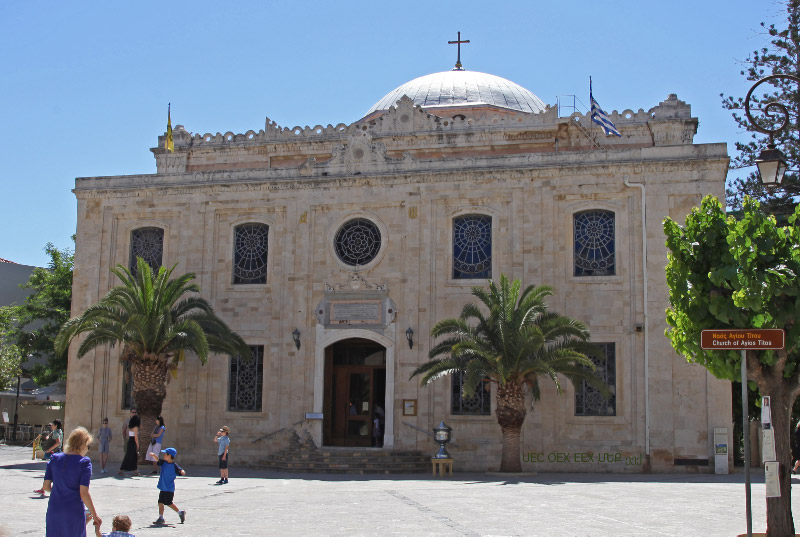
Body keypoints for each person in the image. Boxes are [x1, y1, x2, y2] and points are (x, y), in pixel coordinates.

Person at [42, 427, 102, 537]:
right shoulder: (84, 462)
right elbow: (83, 493)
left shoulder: (54, 458)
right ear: (83, 445)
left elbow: (46, 486)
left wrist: (59, 492)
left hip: (54, 508)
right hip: (73, 510)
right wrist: (94, 515)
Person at [148, 448, 186, 525]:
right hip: (163, 487)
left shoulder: (174, 466)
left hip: (169, 488)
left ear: (169, 456)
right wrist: (154, 455)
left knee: (168, 503)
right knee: (160, 502)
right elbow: (158, 460)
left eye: (165, 454)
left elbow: (180, 471)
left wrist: (182, 472)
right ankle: (161, 518)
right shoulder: (163, 463)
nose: (164, 455)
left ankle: (180, 512)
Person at [118, 408, 140, 476]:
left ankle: (135, 470)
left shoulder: (130, 427)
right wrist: (138, 445)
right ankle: (122, 469)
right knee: (130, 456)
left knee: (132, 456)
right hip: (133, 442)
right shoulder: (135, 428)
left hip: (130, 441)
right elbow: (136, 437)